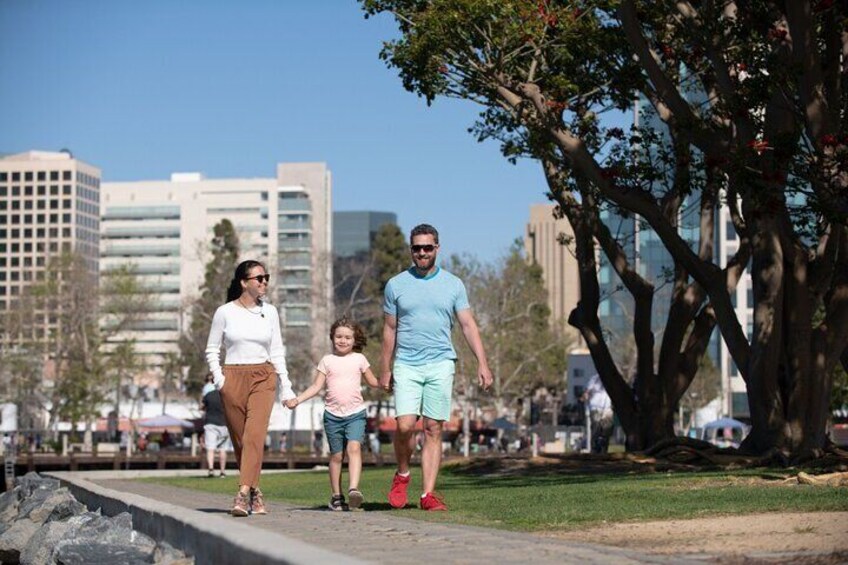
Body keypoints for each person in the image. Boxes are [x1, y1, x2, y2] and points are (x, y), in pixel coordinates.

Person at [380, 224, 493, 511]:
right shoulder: (396, 284)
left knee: (433, 427)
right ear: (411, 250)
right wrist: (385, 368)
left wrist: (483, 362)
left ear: (437, 249)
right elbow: (389, 330)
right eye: (417, 248)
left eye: (427, 248)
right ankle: (403, 473)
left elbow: (468, 324)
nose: (422, 253)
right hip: (407, 363)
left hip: (441, 362)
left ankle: (427, 495)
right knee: (405, 425)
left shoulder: (454, 284)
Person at [206, 259, 296, 517]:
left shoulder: (272, 312)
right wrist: (220, 379)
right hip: (232, 376)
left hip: (263, 376)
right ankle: (257, 493)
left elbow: (277, 351)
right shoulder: (225, 312)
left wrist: (286, 387)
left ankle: (242, 492)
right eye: (259, 278)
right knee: (240, 442)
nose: (264, 281)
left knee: (254, 435)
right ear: (244, 282)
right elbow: (212, 348)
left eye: (266, 277)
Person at [286, 317, 379, 511]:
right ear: (332, 338)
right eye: (339, 337)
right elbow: (316, 386)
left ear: (355, 340)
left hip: (355, 413)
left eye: (347, 337)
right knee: (337, 456)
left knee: (354, 449)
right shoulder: (327, 361)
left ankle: (354, 489)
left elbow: (373, 382)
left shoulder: (359, 359)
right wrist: (297, 400)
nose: (343, 340)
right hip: (332, 416)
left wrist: (388, 383)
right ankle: (337, 496)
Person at [202, 375, 230, 478]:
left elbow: (202, 407)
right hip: (224, 424)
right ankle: (222, 471)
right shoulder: (227, 395)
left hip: (210, 423)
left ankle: (211, 469)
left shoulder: (208, 395)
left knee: (210, 448)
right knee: (223, 449)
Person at [581, 373, 614, 454]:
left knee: (607, 430)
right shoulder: (594, 379)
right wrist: (585, 397)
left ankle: (604, 450)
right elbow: (587, 392)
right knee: (596, 430)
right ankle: (594, 450)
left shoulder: (611, 379)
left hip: (607, 408)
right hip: (595, 407)